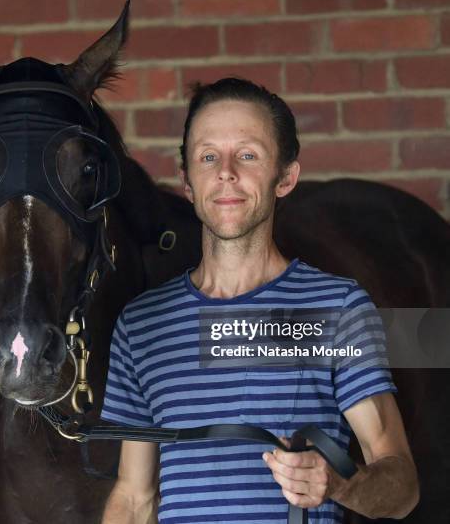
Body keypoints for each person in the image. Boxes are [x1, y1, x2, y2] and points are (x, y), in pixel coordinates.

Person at [100, 78, 419, 524]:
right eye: (208, 156)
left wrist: (340, 484)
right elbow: (134, 498)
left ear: (285, 177)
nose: (225, 171)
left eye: (247, 155)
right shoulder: (142, 325)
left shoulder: (336, 309)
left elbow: (401, 485)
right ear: (187, 182)